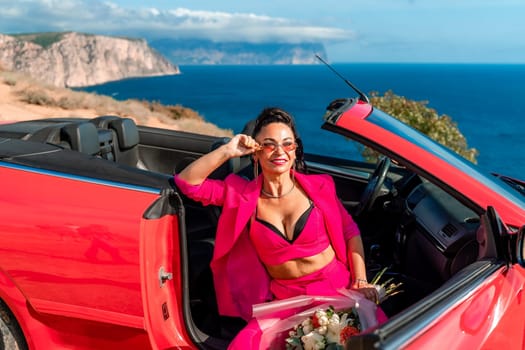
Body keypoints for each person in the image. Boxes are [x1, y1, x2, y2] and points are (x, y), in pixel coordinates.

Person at [174, 107, 382, 349]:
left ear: (295, 150)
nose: (280, 151)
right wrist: (228, 150)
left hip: (335, 290)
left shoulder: (320, 187)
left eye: (288, 144)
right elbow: (187, 183)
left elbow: (350, 232)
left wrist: (360, 280)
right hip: (285, 301)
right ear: (256, 153)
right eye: (269, 144)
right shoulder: (240, 195)